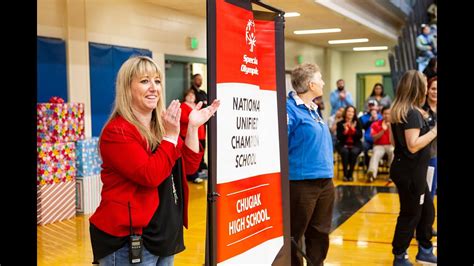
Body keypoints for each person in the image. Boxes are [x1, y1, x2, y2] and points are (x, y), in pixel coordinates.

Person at [88, 56, 220, 265]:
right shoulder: (117, 132)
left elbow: (189, 166)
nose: (153, 88)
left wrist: (193, 127)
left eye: (157, 81)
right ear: (127, 88)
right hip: (129, 240)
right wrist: (170, 136)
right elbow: (150, 175)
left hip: (164, 233)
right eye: (144, 81)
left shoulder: (161, 126)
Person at [287, 63, 334, 266]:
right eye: (320, 78)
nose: (323, 82)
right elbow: (280, 144)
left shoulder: (314, 109)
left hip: (325, 181)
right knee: (295, 234)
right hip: (301, 183)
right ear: (311, 84)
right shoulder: (289, 109)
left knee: (320, 232)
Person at [390, 70, 437, 266]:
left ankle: (425, 250)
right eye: (425, 84)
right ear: (418, 87)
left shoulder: (406, 111)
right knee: (411, 214)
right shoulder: (410, 113)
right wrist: (435, 130)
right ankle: (400, 255)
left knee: (427, 211)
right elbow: (413, 144)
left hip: (412, 170)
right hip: (410, 173)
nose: (427, 88)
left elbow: (396, 143)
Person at [180, 89, 206, 184]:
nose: (191, 97)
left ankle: (198, 172)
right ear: (185, 96)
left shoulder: (197, 105)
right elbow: (183, 119)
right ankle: (193, 175)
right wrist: (194, 119)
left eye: (193, 95)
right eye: (189, 95)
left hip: (201, 134)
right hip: (188, 134)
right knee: (191, 156)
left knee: (199, 155)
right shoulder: (183, 106)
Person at [366, 106, 394, 183]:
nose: (387, 115)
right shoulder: (375, 124)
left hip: (391, 145)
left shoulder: (395, 124)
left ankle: (392, 175)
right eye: (385, 113)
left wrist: (390, 128)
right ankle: (372, 174)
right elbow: (374, 138)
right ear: (381, 114)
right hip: (379, 145)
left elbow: (395, 139)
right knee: (375, 154)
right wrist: (383, 130)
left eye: (388, 114)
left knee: (393, 151)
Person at [336, 105, 363, 182]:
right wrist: (345, 132)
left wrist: (353, 130)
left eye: (352, 111)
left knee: (354, 152)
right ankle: (345, 175)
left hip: (355, 144)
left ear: (354, 113)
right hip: (343, 144)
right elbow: (339, 137)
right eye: (349, 111)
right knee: (345, 152)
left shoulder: (358, 123)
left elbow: (360, 135)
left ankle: (350, 174)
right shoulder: (340, 123)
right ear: (345, 112)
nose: (350, 113)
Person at [189, 73, 208, 174]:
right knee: (196, 145)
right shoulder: (191, 93)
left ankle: (202, 164)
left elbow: (207, 105)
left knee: (203, 145)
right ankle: (196, 168)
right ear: (193, 80)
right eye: (197, 79)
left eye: (201, 79)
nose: (199, 81)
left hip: (203, 124)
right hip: (195, 125)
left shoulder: (203, 92)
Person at [359, 100, 382, 169]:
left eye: (373, 106)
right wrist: (370, 121)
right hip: (368, 140)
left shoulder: (381, 117)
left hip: (379, 140)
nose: (371, 108)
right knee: (364, 147)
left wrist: (377, 120)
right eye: (370, 106)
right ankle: (368, 167)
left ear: (377, 107)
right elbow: (361, 127)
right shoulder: (363, 117)